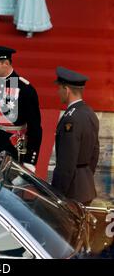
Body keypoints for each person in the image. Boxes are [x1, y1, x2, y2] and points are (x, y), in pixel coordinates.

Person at [0, 45, 42, 171]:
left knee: (8, 188)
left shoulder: (25, 88)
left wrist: (30, 160)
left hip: (13, 146)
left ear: (6, 63)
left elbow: (35, 127)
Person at [52, 66, 99, 205]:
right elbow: (95, 153)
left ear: (66, 90)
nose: (57, 92)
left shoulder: (70, 118)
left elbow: (67, 162)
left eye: (59, 88)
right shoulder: (89, 112)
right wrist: (86, 176)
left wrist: (57, 194)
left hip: (71, 192)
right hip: (85, 187)